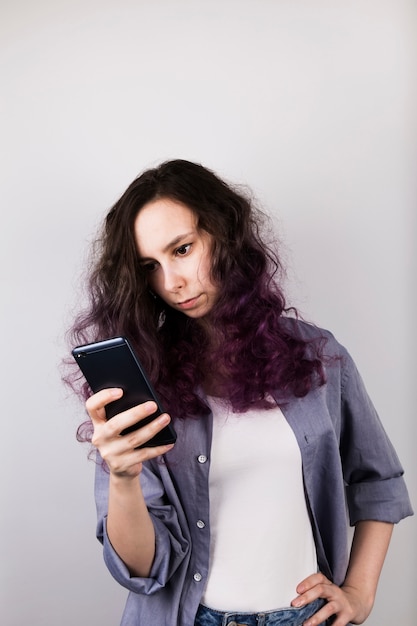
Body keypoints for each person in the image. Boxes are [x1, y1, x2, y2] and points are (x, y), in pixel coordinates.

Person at [67, 159, 412, 626]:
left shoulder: (318, 358)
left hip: (304, 617)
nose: (171, 283)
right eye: (150, 266)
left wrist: (359, 592)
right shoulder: (144, 383)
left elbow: (378, 482)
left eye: (183, 249)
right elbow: (144, 570)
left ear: (224, 232)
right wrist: (123, 477)